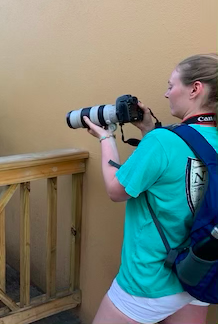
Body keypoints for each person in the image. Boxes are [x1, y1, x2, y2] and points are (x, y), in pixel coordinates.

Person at [84, 54, 217, 324]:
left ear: (195, 88)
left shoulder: (161, 142)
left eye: (171, 85)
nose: (166, 94)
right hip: (200, 270)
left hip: (151, 281)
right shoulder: (195, 139)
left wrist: (106, 137)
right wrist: (148, 129)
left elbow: (115, 189)